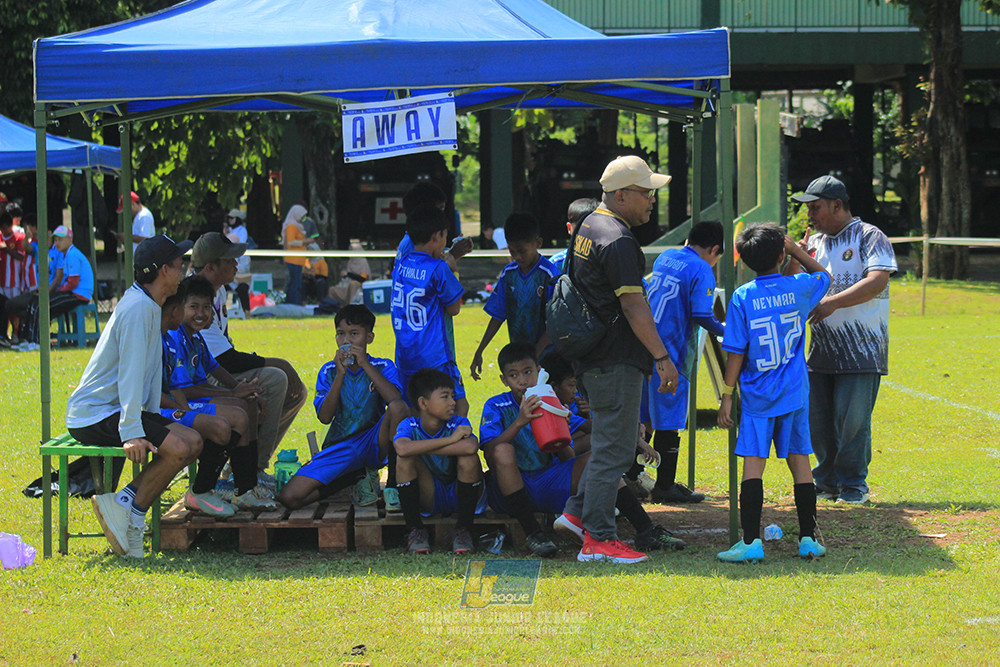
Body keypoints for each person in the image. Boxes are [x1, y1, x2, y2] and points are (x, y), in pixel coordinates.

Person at [553, 155, 680, 565]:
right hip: (615, 359)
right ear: (621, 195)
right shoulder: (620, 240)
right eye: (646, 193)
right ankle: (600, 540)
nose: (651, 201)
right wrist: (661, 357)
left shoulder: (590, 225)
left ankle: (575, 514)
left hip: (592, 356)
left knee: (610, 443)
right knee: (616, 449)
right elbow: (633, 305)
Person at [66, 235, 202, 558]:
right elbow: (129, 374)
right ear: (163, 270)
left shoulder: (148, 304)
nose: (183, 266)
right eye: (178, 262)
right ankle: (125, 509)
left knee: (194, 441)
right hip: (94, 414)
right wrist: (132, 432)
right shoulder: (139, 307)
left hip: (120, 410)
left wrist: (151, 418)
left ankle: (128, 511)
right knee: (180, 447)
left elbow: (149, 372)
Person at [716, 224, 831, 562]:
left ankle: (751, 541)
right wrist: (798, 251)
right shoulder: (799, 287)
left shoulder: (743, 295)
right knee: (801, 463)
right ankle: (808, 539)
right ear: (782, 254)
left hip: (757, 396)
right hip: (793, 393)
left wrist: (726, 395)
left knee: (754, 464)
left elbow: (736, 350)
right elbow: (824, 277)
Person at [790, 175, 898, 505]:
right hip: (821, 349)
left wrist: (832, 302)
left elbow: (877, 280)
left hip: (862, 348)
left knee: (852, 422)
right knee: (819, 421)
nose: (809, 214)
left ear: (838, 205)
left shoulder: (869, 236)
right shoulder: (816, 243)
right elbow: (791, 287)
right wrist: (796, 256)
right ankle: (827, 482)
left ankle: (854, 486)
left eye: (816, 207)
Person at [192, 232, 307, 477]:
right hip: (199, 380)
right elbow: (225, 359)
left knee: (296, 393)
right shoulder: (196, 299)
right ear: (211, 267)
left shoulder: (218, 290)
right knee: (276, 380)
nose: (236, 265)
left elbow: (224, 348)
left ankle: (243, 464)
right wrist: (278, 364)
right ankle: (252, 469)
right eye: (230, 261)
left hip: (215, 369)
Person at [160, 275, 274, 513]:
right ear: (179, 307)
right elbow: (184, 390)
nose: (200, 313)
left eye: (206, 307)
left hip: (190, 399)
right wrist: (233, 392)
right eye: (193, 307)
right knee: (238, 416)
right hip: (173, 405)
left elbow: (213, 368)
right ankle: (202, 489)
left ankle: (245, 489)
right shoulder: (175, 336)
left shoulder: (196, 337)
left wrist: (238, 390)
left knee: (248, 405)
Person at [277, 305, 409, 510]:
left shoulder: (383, 366)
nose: (346, 341)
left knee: (399, 408)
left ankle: (392, 486)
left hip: (374, 440)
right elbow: (324, 417)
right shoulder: (329, 371)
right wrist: (340, 374)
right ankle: (353, 478)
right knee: (290, 497)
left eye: (354, 334)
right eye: (340, 334)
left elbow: (395, 400)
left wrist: (365, 364)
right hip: (341, 445)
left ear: (369, 337)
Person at [633, 221, 725, 504]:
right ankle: (664, 486)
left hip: (645, 345)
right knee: (669, 421)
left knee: (644, 418)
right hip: (671, 353)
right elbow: (701, 315)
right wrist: (729, 330)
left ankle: (630, 476)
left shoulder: (666, 257)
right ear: (715, 250)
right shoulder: (702, 269)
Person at [393, 369, 486, 555]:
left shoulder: (458, 422)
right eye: (445, 397)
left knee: (469, 459)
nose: (452, 402)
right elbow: (402, 449)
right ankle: (415, 530)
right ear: (423, 403)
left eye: (453, 396)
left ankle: (463, 530)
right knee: (404, 459)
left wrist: (420, 446)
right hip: (430, 494)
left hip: (461, 493)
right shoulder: (409, 425)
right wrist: (452, 441)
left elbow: (470, 447)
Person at [391, 203, 469, 416]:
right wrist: (453, 268)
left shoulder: (401, 263)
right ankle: (451, 448)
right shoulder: (438, 267)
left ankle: (415, 448)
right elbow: (454, 308)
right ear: (437, 235)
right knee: (459, 405)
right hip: (435, 356)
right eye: (445, 238)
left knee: (415, 408)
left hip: (406, 355)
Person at [470, 213, 557, 380]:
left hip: (548, 359)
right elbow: (497, 315)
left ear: (538, 243)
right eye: (512, 251)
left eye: (522, 251)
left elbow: (555, 323)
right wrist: (480, 350)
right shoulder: (508, 274)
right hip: (521, 361)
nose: (517, 257)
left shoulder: (550, 275)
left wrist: (534, 356)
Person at [8, 225, 94, 349]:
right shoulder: (66, 254)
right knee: (36, 303)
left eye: (60, 239)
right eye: (56, 240)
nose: (57, 243)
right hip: (72, 293)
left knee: (41, 304)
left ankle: (37, 342)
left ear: (70, 240)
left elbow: (73, 283)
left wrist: (58, 291)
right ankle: (28, 339)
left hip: (78, 295)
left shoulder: (73, 255)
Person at [393, 182, 473, 275]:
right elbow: (427, 279)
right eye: (440, 209)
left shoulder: (415, 242)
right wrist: (453, 257)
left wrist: (454, 253)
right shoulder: (411, 246)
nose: (442, 216)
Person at [550, 198, 599, 274]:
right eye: (580, 228)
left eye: (591, 227)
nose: (585, 233)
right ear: (569, 228)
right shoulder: (556, 263)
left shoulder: (607, 260)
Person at [224, 208, 251, 312]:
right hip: (230, 276)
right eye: (229, 218)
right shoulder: (230, 231)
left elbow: (244, 268)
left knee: (243, 288)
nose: (230, 220)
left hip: (239, 275)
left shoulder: (242, 230)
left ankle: (246, 312)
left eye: (232, 218)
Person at [281, 204, 309, 306]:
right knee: (294, 284)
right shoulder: (291, 226)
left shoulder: (298, 226)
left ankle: (295, 303)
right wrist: (305, 242)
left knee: (297, 283)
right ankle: (292, 303)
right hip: (293, 260)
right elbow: (291, 242)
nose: (302, 218)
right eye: (301, 215)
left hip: (299, 259)